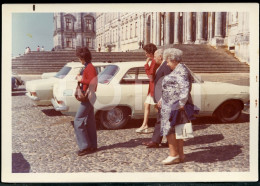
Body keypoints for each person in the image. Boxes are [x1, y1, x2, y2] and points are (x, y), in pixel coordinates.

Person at [160, 48, 193, 165]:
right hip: (173, 103)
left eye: (167, 61)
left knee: (170, 128)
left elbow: (184, 87)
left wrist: (181, 103)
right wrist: (162, 99)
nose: (167, 64)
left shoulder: (181, 70)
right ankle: (180, 154)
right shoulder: (181, 69)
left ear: (172, 60)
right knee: (179, 129)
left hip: (175, 105)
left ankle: (173, 154)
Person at [142, 48, 172, 147]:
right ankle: (157, 141)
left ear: (160, 56)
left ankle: (163, 141)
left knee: (163, 119)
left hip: (164, 99)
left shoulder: (166, 67)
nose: (154, 59)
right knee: (161, 119)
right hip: (161, 98)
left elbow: (167, 84)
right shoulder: (162, 65)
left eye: (155, 56)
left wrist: (162, 98)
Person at [74, 47, 98, 156]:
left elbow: (93, 81)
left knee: (78, 121)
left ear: (83, 57)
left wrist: (81, 79)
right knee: (90, 122)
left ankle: (85, 146)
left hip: (88, 96)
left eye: (79, 57)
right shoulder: (88, 66)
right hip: (90, 96)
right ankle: (92, 145)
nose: (79, 59)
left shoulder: (89, 67)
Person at [136, 43, 159, 134]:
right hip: (152, 86)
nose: (145, 55)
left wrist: (146, 64)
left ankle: (162, 124)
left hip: (154, 86)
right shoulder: (153, 61)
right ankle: (145, 125)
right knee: (146, 104)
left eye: (146, 53)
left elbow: (150, 75)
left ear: (150, 53)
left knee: (157, 108)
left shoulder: (154, 61)